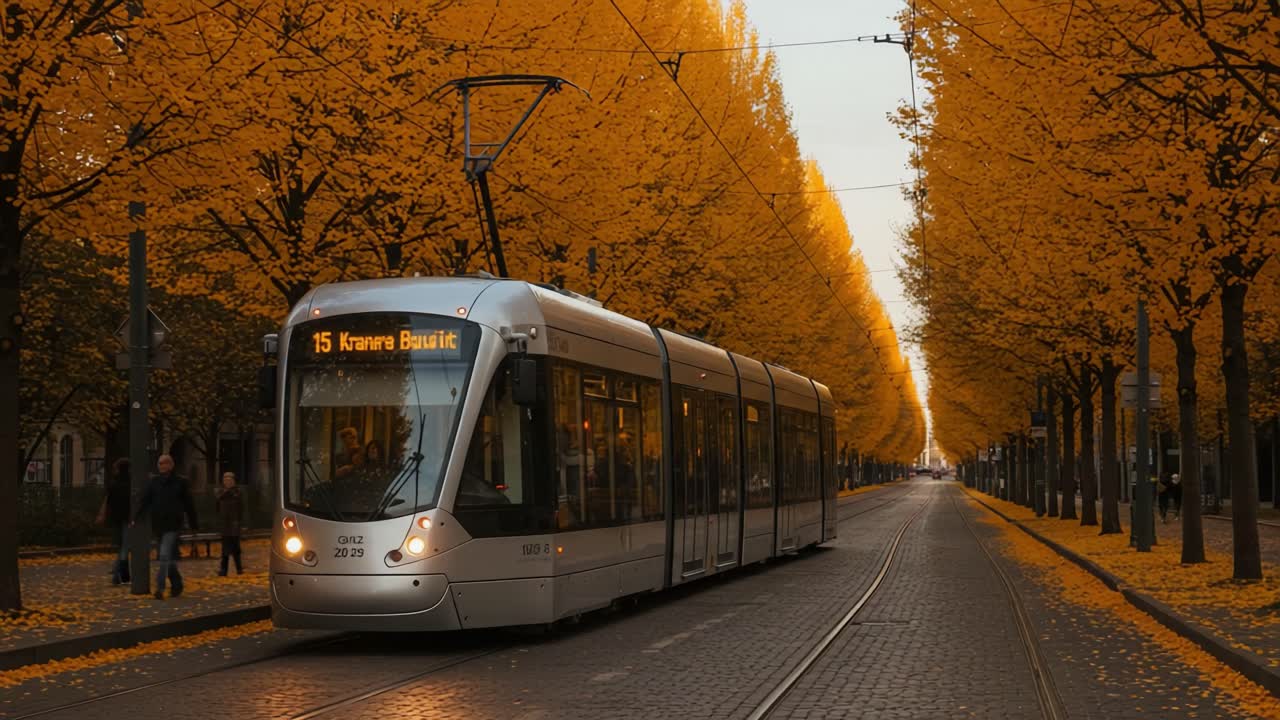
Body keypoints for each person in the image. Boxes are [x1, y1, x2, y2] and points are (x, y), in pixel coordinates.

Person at [132, 454, 198, 599]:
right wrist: (136, 517)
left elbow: (189, 504)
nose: (162, 466)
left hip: (173, 525)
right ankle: (177, 584)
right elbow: (145, 501)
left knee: (163, 555)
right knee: (169, 557)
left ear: (171, 465)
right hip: (159, 525)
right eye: (160, 463)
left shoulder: (180, 482)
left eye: (165, 463)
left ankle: (160, 588)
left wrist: (193, 524)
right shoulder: (154, 482)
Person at [100, 458, 132, 585]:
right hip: (128, 518)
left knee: (121, 546)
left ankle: (121, 576)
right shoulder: (131, 483)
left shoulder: (113, 484)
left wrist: (104, 515)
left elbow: (108, 501)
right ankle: (119, 574)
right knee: (125, 547)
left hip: (116, 518)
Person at [216, 471, 243, 576]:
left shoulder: (238, 492)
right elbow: (217, 505)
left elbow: (241, 508)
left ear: (234, 481)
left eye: (230, 480)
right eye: (225, 480)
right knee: (225, 548)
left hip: (234, 523)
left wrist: (240, 522)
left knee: (235, 547)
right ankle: (224, 569)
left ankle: (239, 568)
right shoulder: (220, 492)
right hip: (224, 524)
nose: (227, 482)